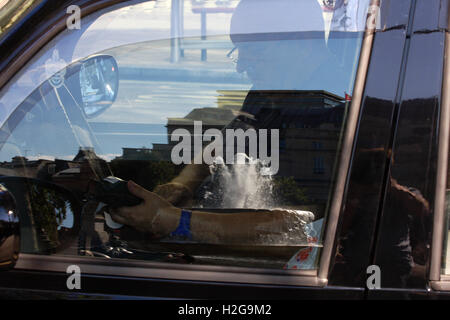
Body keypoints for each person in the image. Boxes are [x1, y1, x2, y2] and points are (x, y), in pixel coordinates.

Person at [110, 0, 338, 244]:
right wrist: (182, 184)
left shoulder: (337, 110)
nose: (241, 66)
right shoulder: (267, 95)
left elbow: (301, 224)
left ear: (302, 41)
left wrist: (176, 221)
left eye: (254, 50)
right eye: (239, 51)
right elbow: (221, 145)